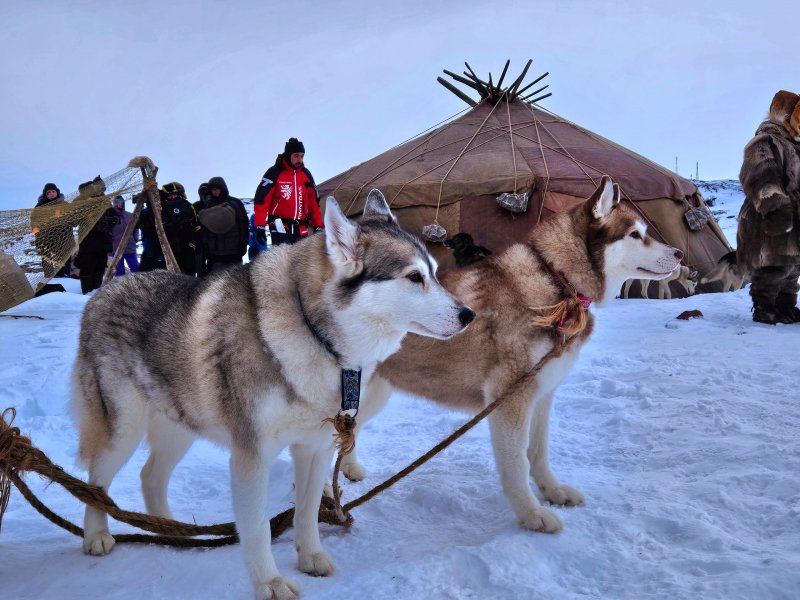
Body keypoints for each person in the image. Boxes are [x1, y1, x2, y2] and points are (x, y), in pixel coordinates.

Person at [737, 89, 800, 324]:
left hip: (794, 213)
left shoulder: (794, 145)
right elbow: (759, 172)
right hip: (767, 213)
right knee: (773, 262)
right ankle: (764, 308)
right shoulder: (766, 140)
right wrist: (774, 204)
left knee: (792, 264)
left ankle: (786, 306)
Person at [252, 137, 324, 246]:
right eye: (296, 156)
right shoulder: (274, 173)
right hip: (279, 225)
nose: (300, 160)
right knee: (283, 260)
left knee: (299, 261)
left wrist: (318, 226)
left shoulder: (306, 175)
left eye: (302, 156)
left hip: (301, 228)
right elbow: (261, 201)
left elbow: (314, 204)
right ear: (288, 155)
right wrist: (259, 225)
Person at [138, 182, 198, 275]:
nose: (173, 197)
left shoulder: (187, 205)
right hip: (167, 249)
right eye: (170, 196)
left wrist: (193, 242)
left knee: (188, 271)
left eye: (175, 195)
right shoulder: (156, 209)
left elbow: (194, 225)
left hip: (186, 246)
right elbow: (147, 228)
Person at [74, 176, 118, 294]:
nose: (101, 191)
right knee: (87, 266)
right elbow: (74, 221)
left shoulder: (104, 200)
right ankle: (86, 292)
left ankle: (96, 291)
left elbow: (113, 217)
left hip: (103, 240)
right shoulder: (81, 200)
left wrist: (108, 221)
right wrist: (91, 220)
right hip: (88, 241)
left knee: (100, 265)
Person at [196, 176, 249, 274]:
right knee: (215, 282)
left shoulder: (235, 203)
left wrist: (243, 244)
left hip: (234, 252)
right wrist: (206, 247)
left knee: (236, 280)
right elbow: (205, 229)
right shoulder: (208, 205)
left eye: (216, 189)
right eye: (212, 190)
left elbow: (244, 224)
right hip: (215, 253)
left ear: (222, 188)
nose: (214, 192)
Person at [31, 182, 72, 277]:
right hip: (46, 240)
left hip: (64, 239)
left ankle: (65, 280)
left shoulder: (65, 205)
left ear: (57, 192)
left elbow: (73, 221)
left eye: (53, 191)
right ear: (46, 194)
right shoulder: (39, 207)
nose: (51, 193)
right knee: (47, 261)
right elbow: (34, 223)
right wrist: (37, 234)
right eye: (49, 192)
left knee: (65, 262)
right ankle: (49, 279)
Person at [110, 195, 139, 276]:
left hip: (130, 247)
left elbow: (136, 228)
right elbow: (107, 232)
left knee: (135, 268)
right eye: (117, 202)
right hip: (116, 248)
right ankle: (121, 286)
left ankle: (139, 284)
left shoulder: (129, 215)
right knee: (118, 270)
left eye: (121, 202)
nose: (120, 204)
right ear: (114, 203)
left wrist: (135, 239)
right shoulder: (110, 216)